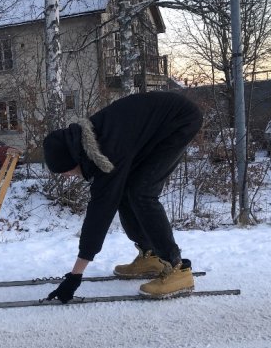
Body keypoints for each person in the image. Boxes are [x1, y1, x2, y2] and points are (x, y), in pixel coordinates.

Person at [42, 91, 203, 303]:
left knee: (141, 193)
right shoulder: (88, 143)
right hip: (156, 123)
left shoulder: (106, 152)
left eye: (67, 171)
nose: (68, 176)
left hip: (179, 120)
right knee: (128, 190)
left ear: (73, 160)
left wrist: (75, 275)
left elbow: (100, 212)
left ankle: (177, 268)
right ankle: (150, 255)